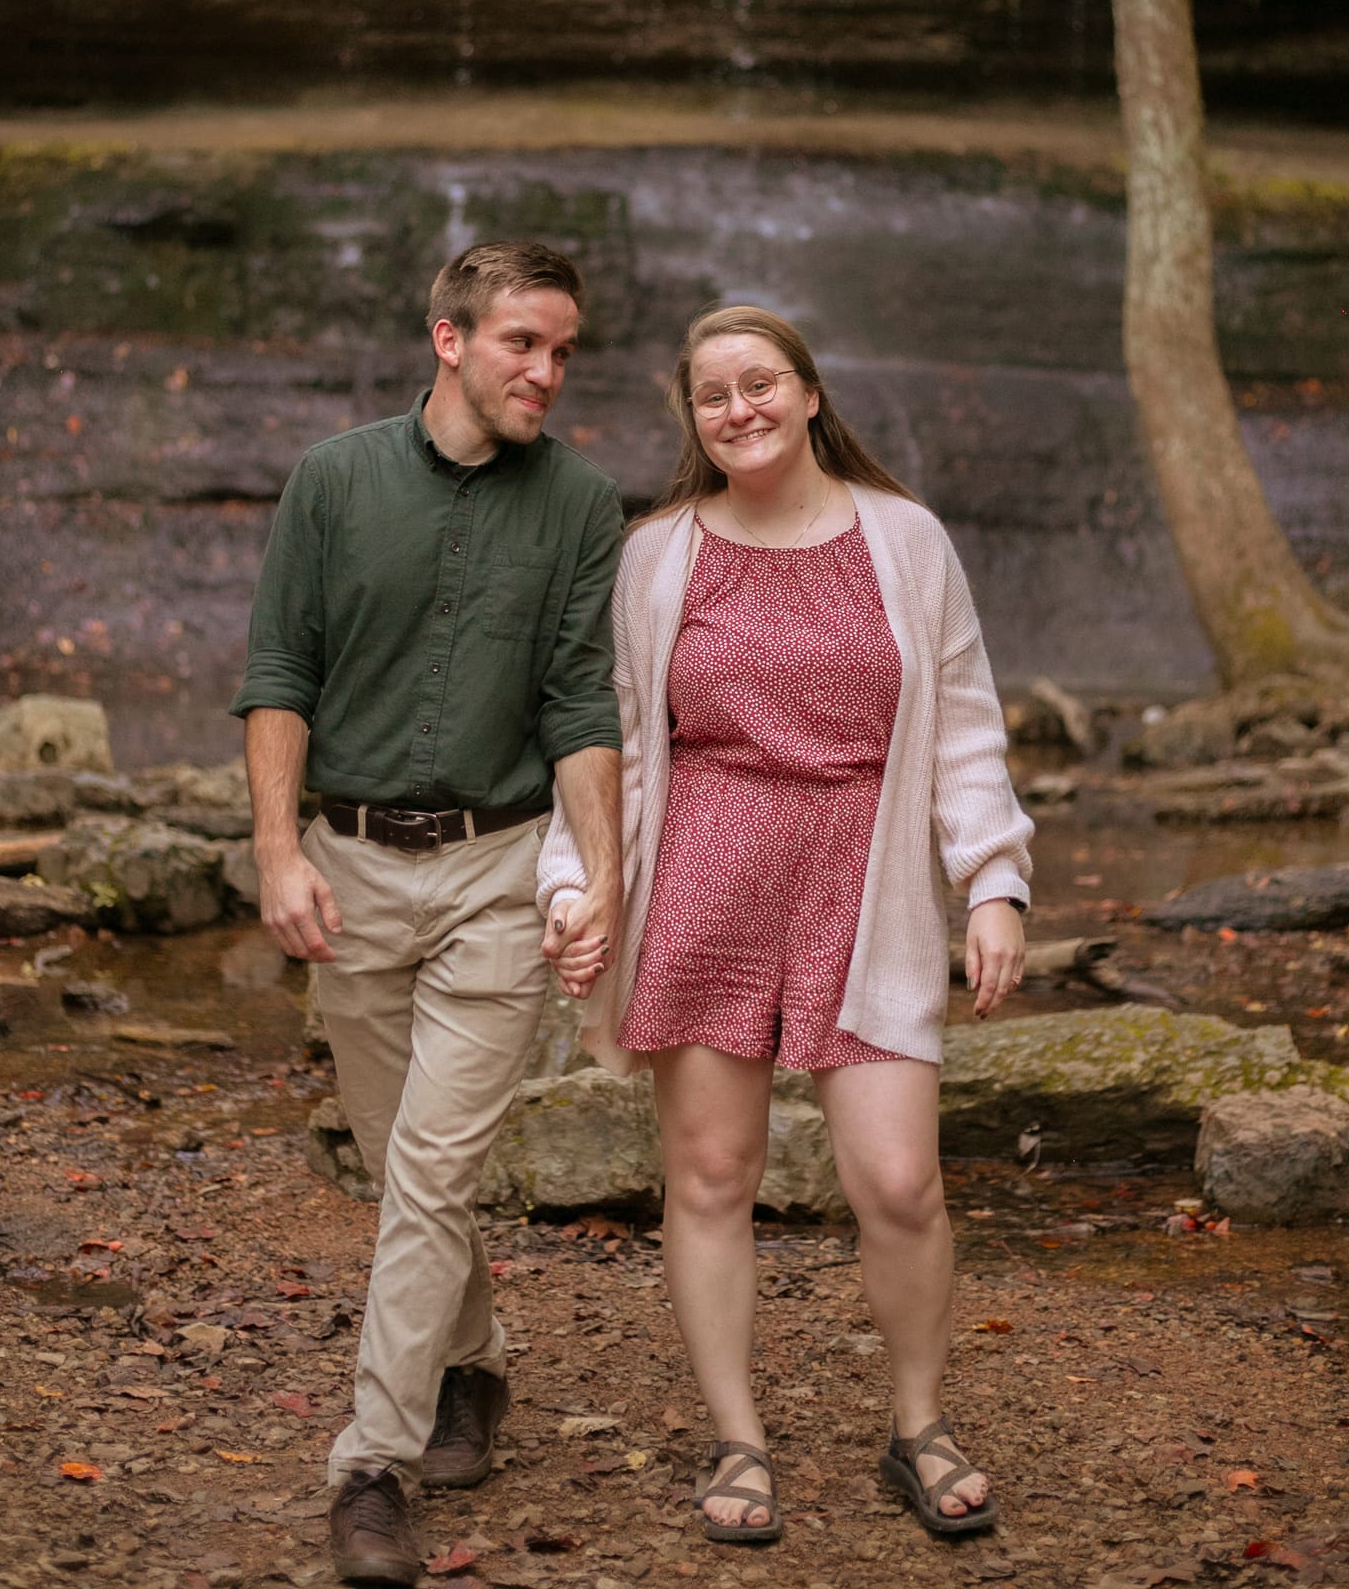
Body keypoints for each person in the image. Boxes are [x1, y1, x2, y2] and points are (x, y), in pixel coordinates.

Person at [540, 303, 1033, 1546]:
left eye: (760, 383)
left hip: (866, 882)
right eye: (713, 395)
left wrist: (991, 882)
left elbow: (963, 723)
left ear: (810, 395)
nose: (739, 409)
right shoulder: (656, 554)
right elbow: (610, 740)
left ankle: (918, 1426)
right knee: (712, 1175)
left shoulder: (905, 540)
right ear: (693, 420)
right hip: (704, 875)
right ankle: (737, 1439)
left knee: (899, 1182)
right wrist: (575, 884)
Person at [234, 241, 624, 1589]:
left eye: (563, 350)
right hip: (346, 869)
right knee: (399, 1155)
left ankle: (371, 1466)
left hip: (494, 875)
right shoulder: (333, 480)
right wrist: (276, 854)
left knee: (431, 1171)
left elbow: (580, 699)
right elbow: (280, 669)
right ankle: (476, 1364)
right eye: (524, 342)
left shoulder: (582, 503)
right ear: (448, 339)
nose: (547, 372)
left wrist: (602, 869)